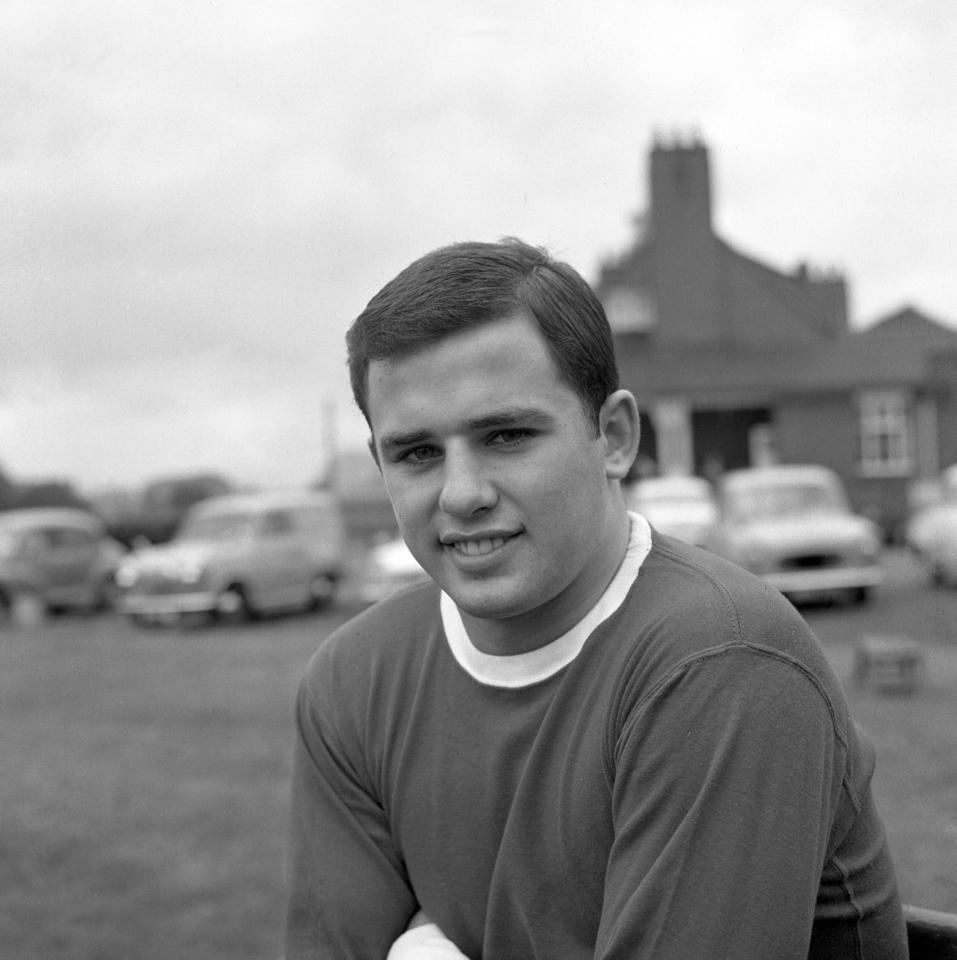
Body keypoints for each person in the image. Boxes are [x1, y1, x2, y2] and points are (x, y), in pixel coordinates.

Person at [283, 239, 908, 959]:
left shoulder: (722, 663)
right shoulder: (353, 678)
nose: (461, 493)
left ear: (612, 437)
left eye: (507, 435)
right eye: (417, 453)